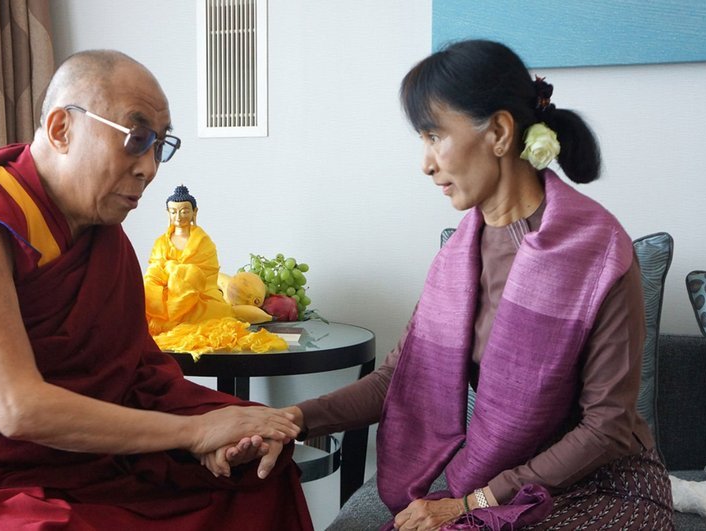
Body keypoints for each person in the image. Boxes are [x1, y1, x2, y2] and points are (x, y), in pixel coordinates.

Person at [0, 50, 312, 530]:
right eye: (136, 138)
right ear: (61, 129)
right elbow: (17, 408)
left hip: (79, 466)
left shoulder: (103, 240)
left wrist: (236, 426)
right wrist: (195, 430)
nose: (150, 168)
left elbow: (139, 379)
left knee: (257, 479)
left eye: (161, 145)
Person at [285, 39, 674, 530]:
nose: (425, 163)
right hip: (501, 486)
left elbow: (608, 426)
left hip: (604, 488)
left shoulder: (597, 251)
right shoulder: (457, 257)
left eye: (433, 135)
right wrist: (292, 420)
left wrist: (476, 503)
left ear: (498, 132)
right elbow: (396, 380)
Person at [144, 185, 235, 335]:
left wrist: (181, 273)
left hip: (199, 296)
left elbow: (208, 275)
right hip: (166, 300)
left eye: (184, 211)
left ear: (194, 212)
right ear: (168, 213)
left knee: (217, 312)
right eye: (173, 212)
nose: (178, 217)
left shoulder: (203, 242)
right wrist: (174, 274)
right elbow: (153, 274)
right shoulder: (161, 242)